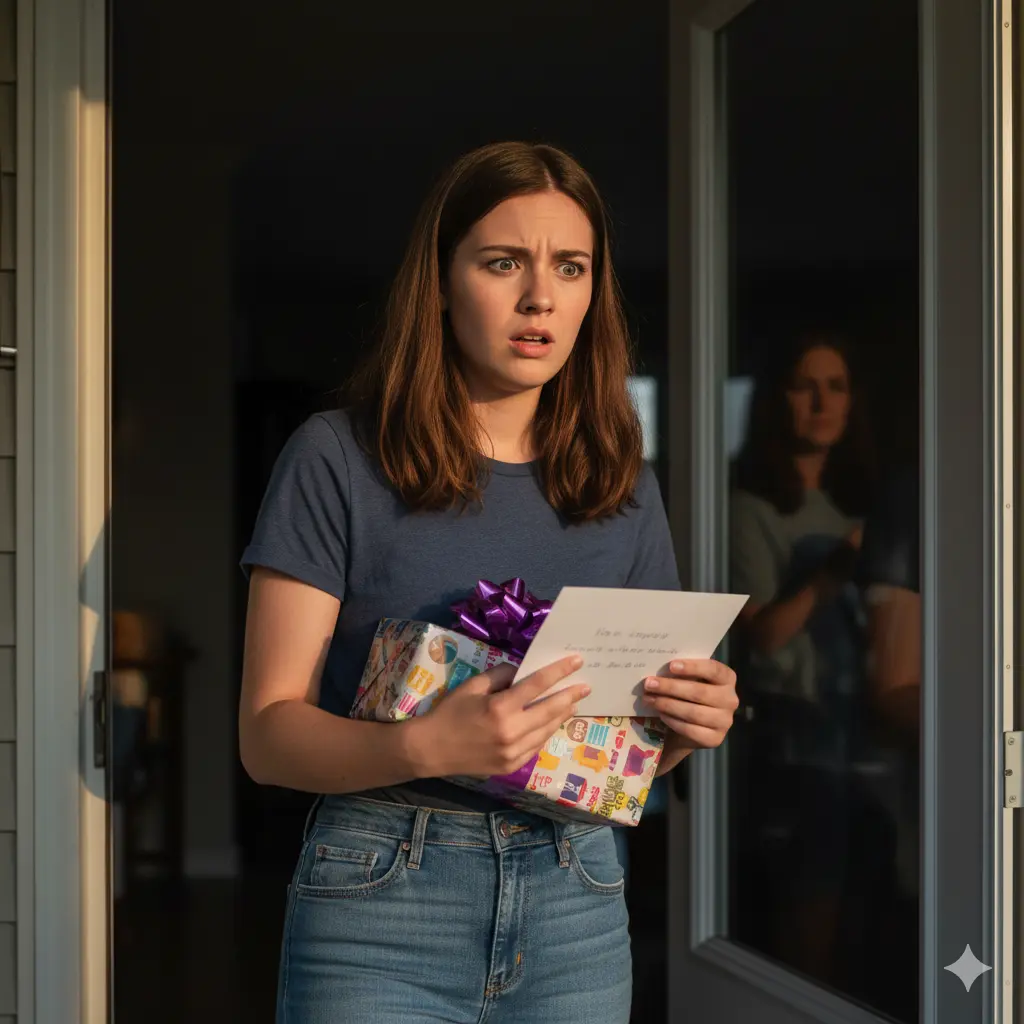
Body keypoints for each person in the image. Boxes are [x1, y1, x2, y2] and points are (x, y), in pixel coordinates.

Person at [237, 141, 740, 1024]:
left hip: (576, 895)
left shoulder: (624, 485)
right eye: (503, 262)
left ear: (593, 293)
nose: (540, 296)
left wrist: (692, 727)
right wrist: (425, 748)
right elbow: (267, 737)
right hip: (382, 894)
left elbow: (623, 749)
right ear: (438, 281)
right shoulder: (337, 457)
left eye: (570, 267)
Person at [728, 332, 876, 984]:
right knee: (802, 921)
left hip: (859, 727)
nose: (822, 401)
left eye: (836, 386)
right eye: (805, 385)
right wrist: (831, 574)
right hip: (791, 733)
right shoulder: (747, 508)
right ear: (777, 400)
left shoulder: (855, 504)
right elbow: (761, 635)